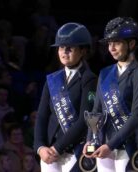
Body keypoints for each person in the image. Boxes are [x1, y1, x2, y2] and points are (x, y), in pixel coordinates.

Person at [82, 17, 138, 172]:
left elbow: (137, 115)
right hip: (103, 146)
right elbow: (96, 111)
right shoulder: (105, 73)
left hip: (128, 147)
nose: (111, 48)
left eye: (116, 43)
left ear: (131, 44)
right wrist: (90, 140)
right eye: (109, 44)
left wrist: (110, 145)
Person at [34, 22, 97, 172]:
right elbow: (42, 116)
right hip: (48, 154)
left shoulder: (89, 79)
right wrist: (40, 147)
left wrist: (58, 148)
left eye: (70, 48)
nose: (64, 52)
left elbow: (85, 119)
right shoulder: (52, 79)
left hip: (74, 152)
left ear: (82, 50)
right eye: (61, 48)